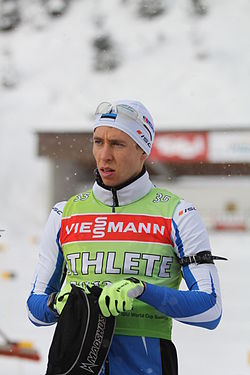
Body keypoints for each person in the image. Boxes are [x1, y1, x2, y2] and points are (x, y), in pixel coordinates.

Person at [27, 100, 223, 375]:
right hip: (75, 360)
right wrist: (56, 303)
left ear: (143, 150)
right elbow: (35, 310)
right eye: (98, 141)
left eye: (117, 144)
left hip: (146, 364)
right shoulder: (64, 213)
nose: (104, 155)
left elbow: (211, 309)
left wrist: (142, 290)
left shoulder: (178, 213)